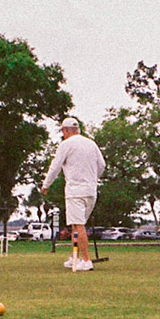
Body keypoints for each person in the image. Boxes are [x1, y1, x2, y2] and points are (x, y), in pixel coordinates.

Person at [40, 116, 105, 271]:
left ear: (65, 131)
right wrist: (93, 179)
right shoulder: (91, 143)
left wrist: (46, 185)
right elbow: (102, 165)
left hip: (75, 191)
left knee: (78, 225)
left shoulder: (66, 144)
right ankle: (75, 256)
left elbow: (55, 166)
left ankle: (86, 260)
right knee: (76, 225)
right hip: (91, 191)